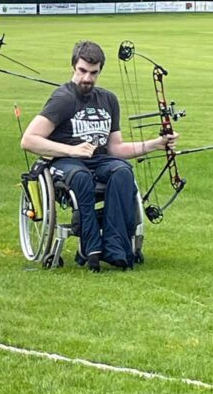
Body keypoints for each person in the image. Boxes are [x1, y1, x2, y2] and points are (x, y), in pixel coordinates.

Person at [20, 40, 178, 271]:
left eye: (94, 73)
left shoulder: (108, 100)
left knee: (123, 171)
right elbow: (29, 140)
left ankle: (116, 249)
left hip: (100, 160)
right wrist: (72, 150)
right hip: (66, 162)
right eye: (82, 71)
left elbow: (116, 149)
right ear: (73, 66)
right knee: (82, 177)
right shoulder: (63, 99)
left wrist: (156, 144)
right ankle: (90, 247)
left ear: (100, 71)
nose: (87, 78)